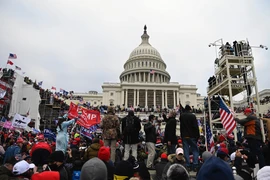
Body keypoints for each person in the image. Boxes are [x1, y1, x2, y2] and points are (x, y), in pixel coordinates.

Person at [180, 105, 200, 171]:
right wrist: (197, 135)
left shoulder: (182, 116)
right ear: (190, 109)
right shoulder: (192, 116)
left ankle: (188, 165)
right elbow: (195, 127)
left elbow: (181, 127)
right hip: (192, 135)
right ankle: (195, 165)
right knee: (195, 150)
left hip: (184, 135)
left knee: (186, 150)